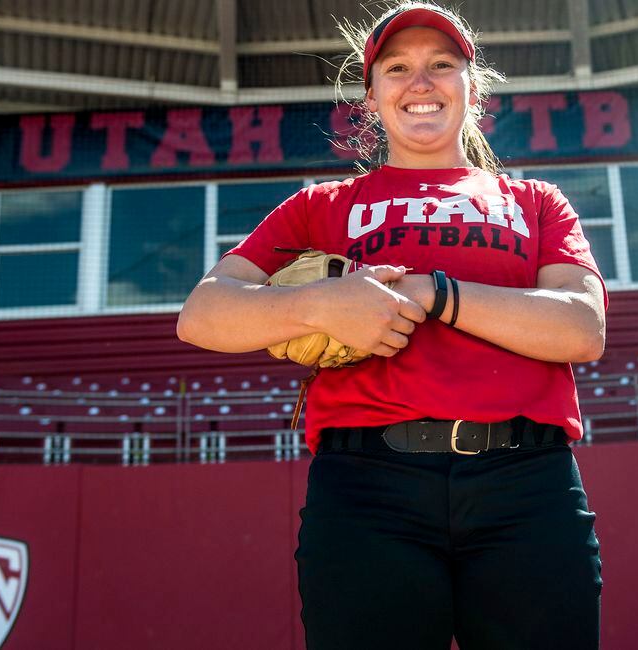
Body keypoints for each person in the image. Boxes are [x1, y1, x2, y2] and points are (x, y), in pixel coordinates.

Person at [177, 2, 607, 648]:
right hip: (368, 489)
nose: (421, 82)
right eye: (398, 68)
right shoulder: (322, 207)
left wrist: (434, 292)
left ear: (473, 88)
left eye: (442, 65)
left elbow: (582, 329)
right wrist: (321, 305)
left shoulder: (536, 202)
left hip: (527, 484)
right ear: (371, 98)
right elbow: (203, 313)